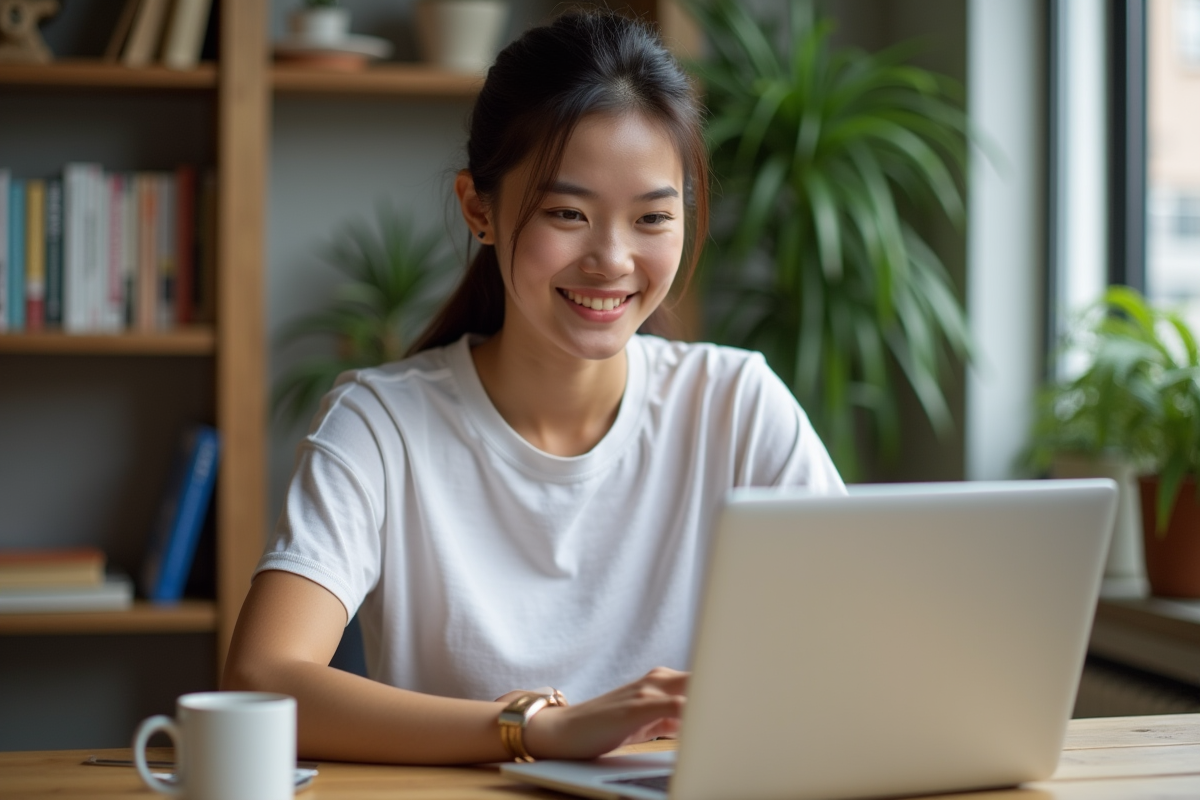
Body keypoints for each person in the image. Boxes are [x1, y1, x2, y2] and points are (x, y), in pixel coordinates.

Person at [222, 9, 845, 765]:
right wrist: (536, 729)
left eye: (652, 216)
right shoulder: (382, 425)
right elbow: (263, 679)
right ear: (479, 208)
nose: (612, 260)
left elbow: (858, 653)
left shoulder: (738, 404)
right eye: (568, 214)